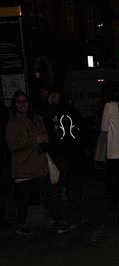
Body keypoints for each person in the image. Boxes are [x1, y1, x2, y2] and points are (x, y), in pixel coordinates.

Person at [5, 91, 73, 235]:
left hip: (39, 163)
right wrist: (33, 141)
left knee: (48, 194)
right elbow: (12, 145)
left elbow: (45, 136)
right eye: (19, 102)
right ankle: (21, 224)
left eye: (25, 101)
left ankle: (60, 220)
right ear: (14, 104)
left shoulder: (36, 118)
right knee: (23, 199)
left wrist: (44, 139)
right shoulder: (12, 123)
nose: (23, 105)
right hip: (23, 166)